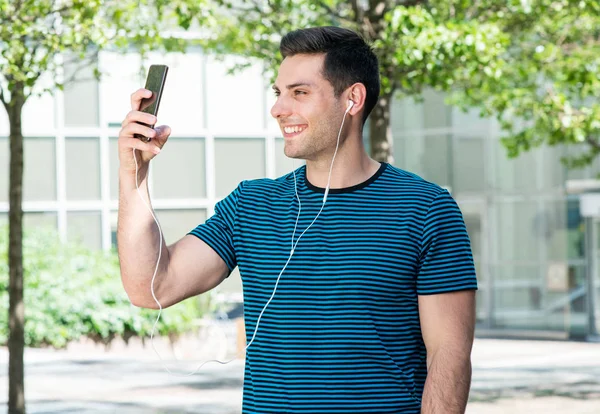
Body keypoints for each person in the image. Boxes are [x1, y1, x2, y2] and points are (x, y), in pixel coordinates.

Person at [117, 26, 478, 414]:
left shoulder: (426, 208)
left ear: (352, 98)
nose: (278, 108)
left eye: (299, 93)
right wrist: (132, 172)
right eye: (278, 93)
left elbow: (448, 356)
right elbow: (150, 287)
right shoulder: (251, 206)